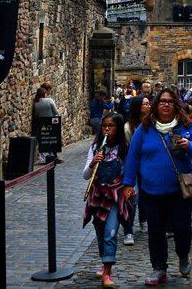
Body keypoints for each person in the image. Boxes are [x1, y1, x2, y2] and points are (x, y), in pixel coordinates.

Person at [122, 88, 192, 285]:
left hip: (179, 190)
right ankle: (159, 268)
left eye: (170, 101)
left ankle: (183, 255)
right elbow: (133, 157)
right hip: (151, 190)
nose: (166, 104)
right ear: (156, 105)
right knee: (156, 231)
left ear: (176, 105)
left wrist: (190, 146)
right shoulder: (144, 128)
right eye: (162, 101)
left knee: (182, 229)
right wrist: (128, 184)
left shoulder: (186, 125)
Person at [84, 113, 129, 288]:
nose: (107, 129)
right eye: (104, 126)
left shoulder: (124, 148)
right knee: (100, 232)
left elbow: (129, 173)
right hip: (98, 195)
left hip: (114, 196)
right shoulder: (96, 147)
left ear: (118, 129)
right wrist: (92, 164)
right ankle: (105, 261)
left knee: (111, 232)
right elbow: (85, 175)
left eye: (111, 126)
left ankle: (108, 272)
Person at [123, 95, 153, 242]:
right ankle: (128, 230)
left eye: (149, 103)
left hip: (147, 166)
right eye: (145, 104)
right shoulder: (128, 128)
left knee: (145, 195)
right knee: (133, 197)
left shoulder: (152, 124)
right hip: (133, 166)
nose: (149, 106)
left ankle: (143, 219)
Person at [32, 83, 61, 164]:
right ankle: (52, 157)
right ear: (43, 94)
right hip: (51, 122)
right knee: (52, 140)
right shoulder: (49, 100)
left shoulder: (35, 104)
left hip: (41, 124)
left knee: (43, 141)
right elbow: (56, 112)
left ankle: (43, 159)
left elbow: (36, 115)